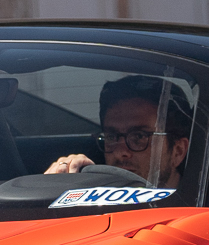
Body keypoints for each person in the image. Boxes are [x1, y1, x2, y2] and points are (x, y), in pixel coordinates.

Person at [44, 76, 193, 190]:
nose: (120, 152)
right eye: (111, 137)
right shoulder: (95, 200)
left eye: (139, 137)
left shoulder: (202, 209)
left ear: (177, 151)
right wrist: (62, 181)